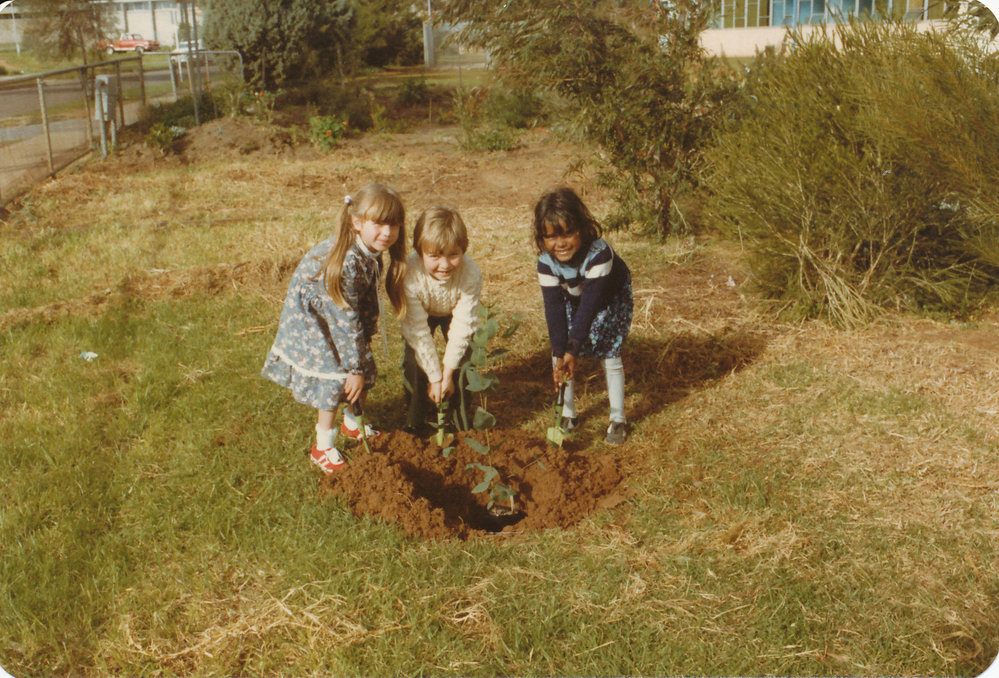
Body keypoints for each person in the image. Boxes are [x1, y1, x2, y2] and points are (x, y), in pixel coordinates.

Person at [262, 184, 407, 473]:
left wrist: (361, 355)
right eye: (379, 224)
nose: (387, 232)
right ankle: (323, 447)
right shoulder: (345, 263)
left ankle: (353, 424)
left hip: (339, 316)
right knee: (334, 377)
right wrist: (353, 368)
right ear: (357, 222)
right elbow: (344, 319)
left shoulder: (371, 251)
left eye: (393, 225)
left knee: (364, 367)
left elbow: (357, 308)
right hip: (314, 320)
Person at [533, 187, 633, 444]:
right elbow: (554, 310)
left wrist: (573, 349)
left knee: (610, 352)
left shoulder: (599, 255)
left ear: (583, 228)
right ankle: (567, 415)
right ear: (541, 238)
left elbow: (589, 307)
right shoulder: (546, 263)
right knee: (559, 354)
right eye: (551, 236)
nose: (560, 243)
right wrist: (561, 351)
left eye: (567, 233)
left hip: (608, 298)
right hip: (574, 294)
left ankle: (618, 419)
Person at [400, 206, 482, 435]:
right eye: (434, 256)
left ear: (463, 249)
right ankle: (415, 420)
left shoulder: (470, 273)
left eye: (453, 255)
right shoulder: (410, 273)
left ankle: (460, 420)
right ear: (420, 252)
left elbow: (463, 326)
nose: (444, 265)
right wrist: (435, 378)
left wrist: (447, 375)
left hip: (454, 311)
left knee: (463, 362)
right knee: (413, 361)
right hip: (422, 312)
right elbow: (418, 332)